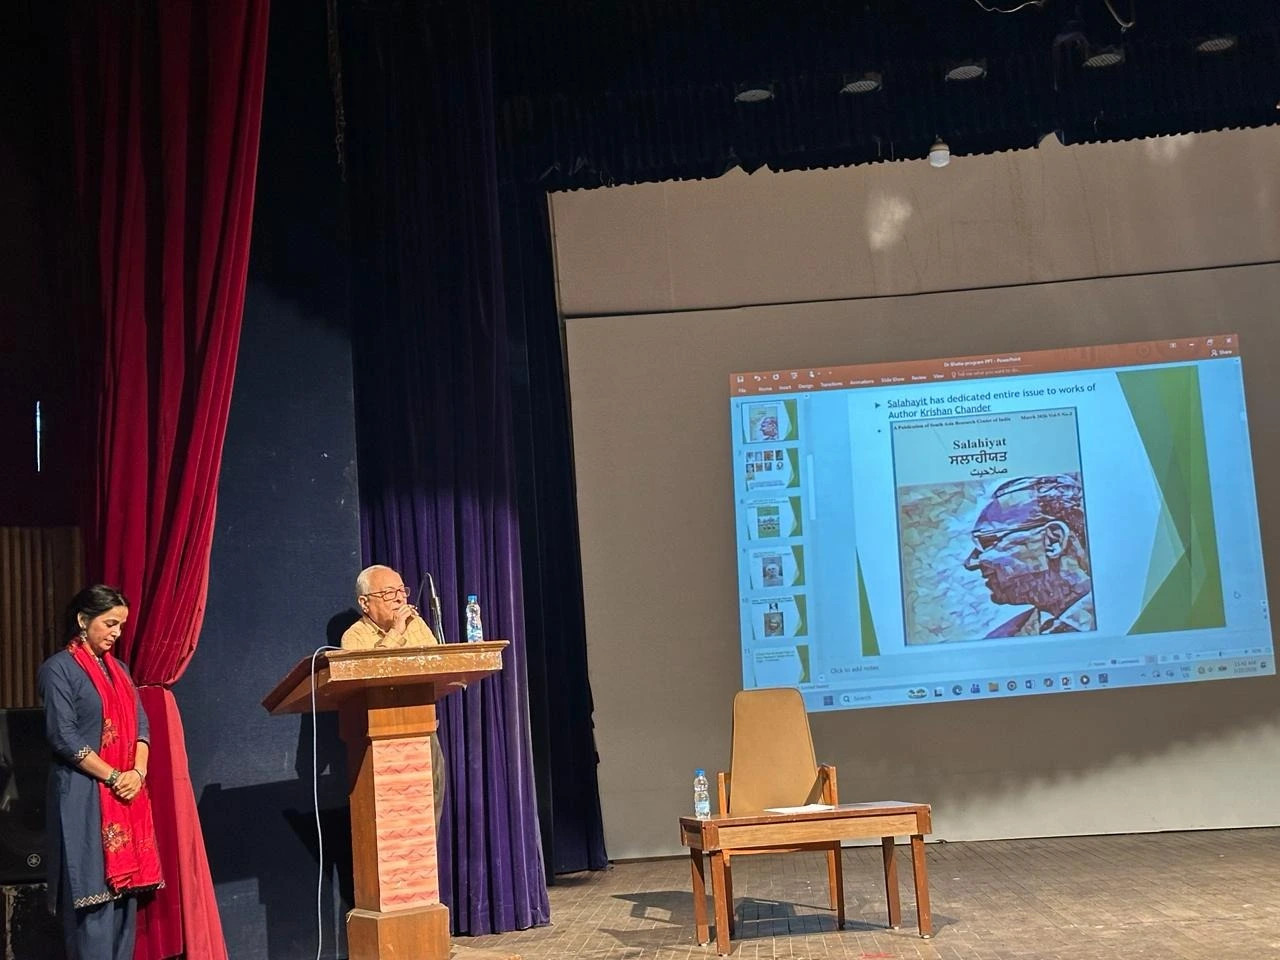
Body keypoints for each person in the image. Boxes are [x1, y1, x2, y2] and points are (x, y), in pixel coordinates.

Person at [38, 585, 163, 960]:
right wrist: (113, 776)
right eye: (110, 623)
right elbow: (63, 736)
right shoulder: (58, 670)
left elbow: (142, 726)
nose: (116, 633)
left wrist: (137, 773)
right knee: (92, 903)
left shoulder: (119, 671)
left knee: (124, 907)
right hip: (84, 796)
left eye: (121, 625)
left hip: (125, 796)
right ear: (83, 620)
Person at [340, 564, 446, 828]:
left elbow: (440, 665)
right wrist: (396, 633)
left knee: (430, 804)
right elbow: (372, 672)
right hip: (378, 737)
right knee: (393, 817)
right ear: (365, 603)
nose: (400, 599)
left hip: (423, 727)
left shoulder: (416, 624)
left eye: (402, 591)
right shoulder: (353, 637)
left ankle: (426, 856)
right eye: (389, 593)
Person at [963, 475, 1095, 637]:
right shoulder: (999, 639)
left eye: (987, 542)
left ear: (1054, 540)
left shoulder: (1118, 611)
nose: (971, 563)